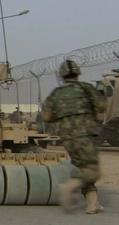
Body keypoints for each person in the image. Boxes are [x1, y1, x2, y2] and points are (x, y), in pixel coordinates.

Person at [42, 59, 106, 214]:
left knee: (82, 167)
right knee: (93, 170)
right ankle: (70, 186)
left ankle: (93, 204)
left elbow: (47, 116)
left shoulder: (56, 94)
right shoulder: (86, 88)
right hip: (85, 135)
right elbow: (102, 106)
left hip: (67, 138)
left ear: (62, 75)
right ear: (77, 73)